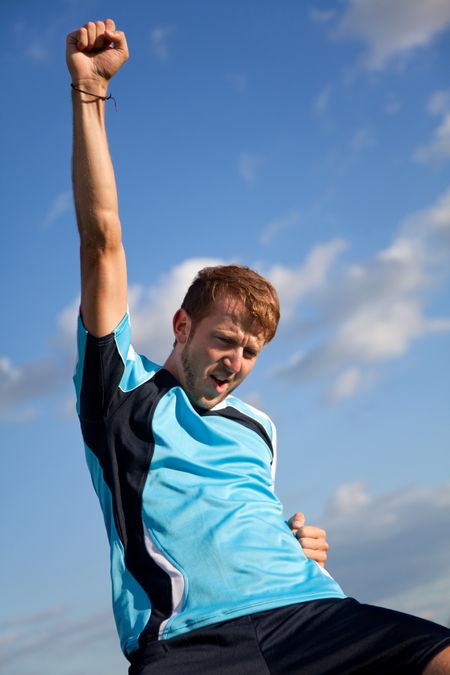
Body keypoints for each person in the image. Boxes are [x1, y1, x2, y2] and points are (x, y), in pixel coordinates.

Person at [67, 19, 450, 675]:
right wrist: (90, 93)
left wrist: (295, 543)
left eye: (250, 352)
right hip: (193, 644)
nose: (235, 364)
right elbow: (103, 239)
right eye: (224, 341)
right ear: (182, 325)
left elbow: (238, 515)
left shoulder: (260, 428)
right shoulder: (120, 393)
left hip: (314, 616)